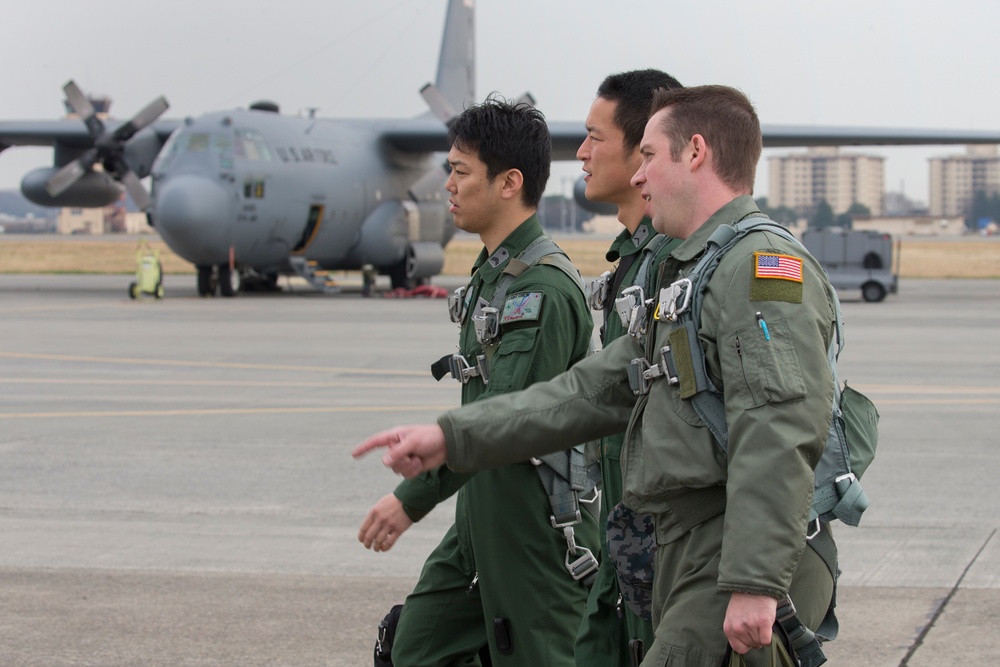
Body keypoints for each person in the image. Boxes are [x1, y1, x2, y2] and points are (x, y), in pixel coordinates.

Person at [354, 85, 839, 667]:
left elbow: (778, 431)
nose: (638, 176)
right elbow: (588, 390)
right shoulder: (688, 275)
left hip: (736, 551)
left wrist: (756, 582)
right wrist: (451, 436)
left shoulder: (761, 270)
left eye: (651, 156)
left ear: (696, 153)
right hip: (684, 545)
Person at [356, 95, 599, 667]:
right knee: (415, 645)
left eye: (461, 172)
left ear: (509, 182)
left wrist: (410, 499)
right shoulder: (497, 276)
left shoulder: (542, 290)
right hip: (480, 513)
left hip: (533, 524)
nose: (449, 185)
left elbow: (502, 414)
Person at [575, 68, 682, 667]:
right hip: (623, 541)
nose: (582, 153)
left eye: (595, 137)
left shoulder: (673, 265)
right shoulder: (633, 262)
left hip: (662, 550)